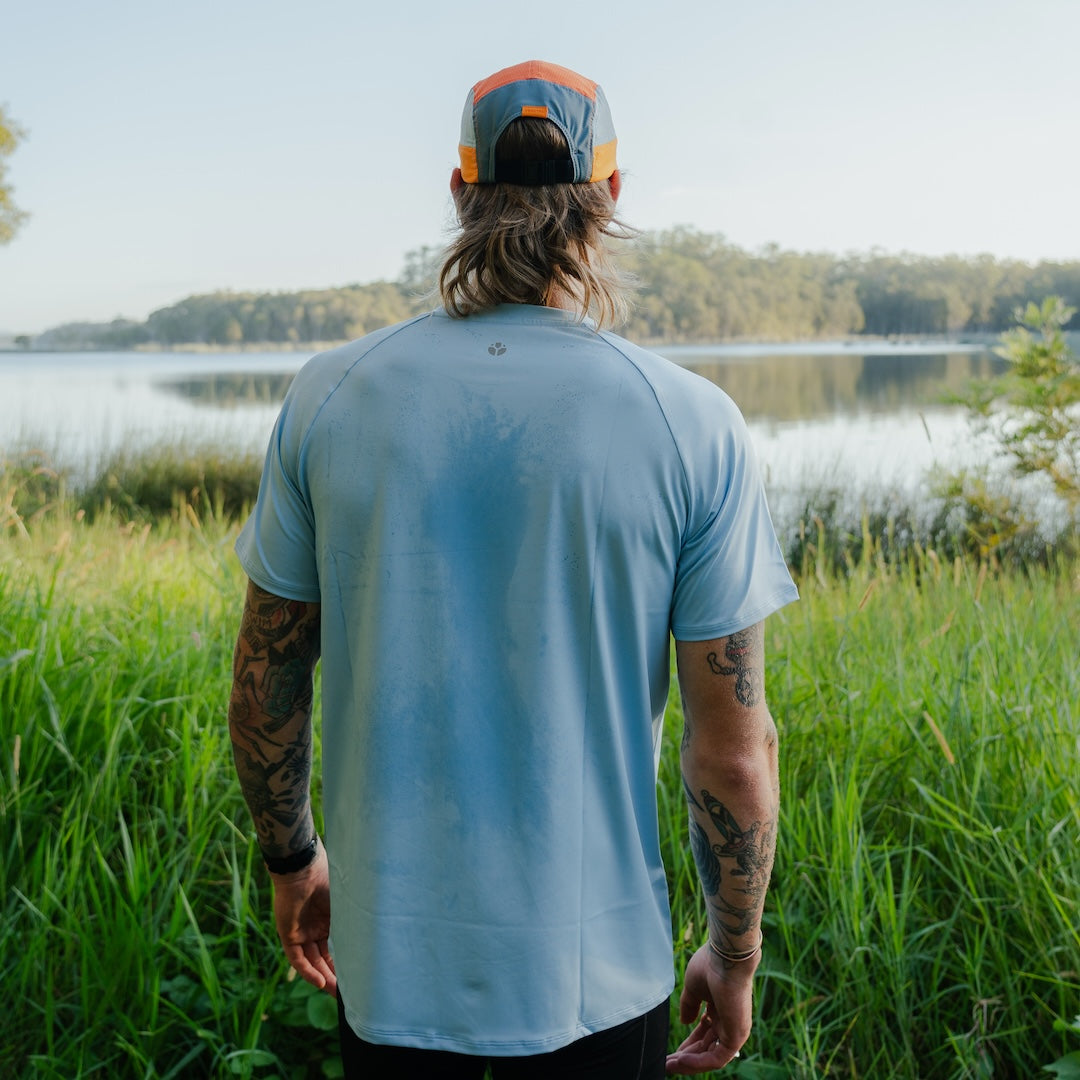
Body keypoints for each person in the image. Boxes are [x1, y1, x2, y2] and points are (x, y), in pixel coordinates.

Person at [227, 59, 798, 1079]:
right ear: (610, 194)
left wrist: (292, 857)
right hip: (600, 975)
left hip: (389, 966)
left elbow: (266, 677)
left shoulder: (332, 395)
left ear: (460, 191)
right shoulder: (688, 421)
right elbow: (734, 753)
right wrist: (736, 949)